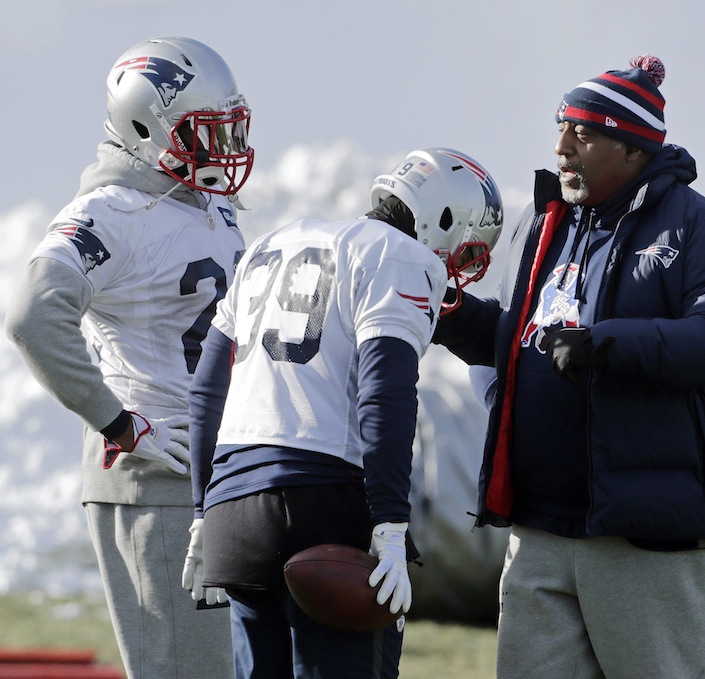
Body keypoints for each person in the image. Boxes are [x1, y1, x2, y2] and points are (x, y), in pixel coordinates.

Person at [432, 55, 705, 679]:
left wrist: (605, 344)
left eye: (581, 133)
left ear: (633, 147)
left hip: (650, 544)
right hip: (540, 533)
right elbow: (516, 341)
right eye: (560, 127)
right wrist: (450, 315)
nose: (561, 147)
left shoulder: (700, 228)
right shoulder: (542, 224)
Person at [181, 147, 503, 679]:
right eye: (463, 250)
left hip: (232, 510)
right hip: (325, 499)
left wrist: (201, 508)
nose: (456, 268)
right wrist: (391, 525)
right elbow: (386, 396)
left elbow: (207, 391)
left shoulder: (272, 242)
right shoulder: (402, 256)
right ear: (443, 221)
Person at [5, 36, 255, 679]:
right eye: (204, 133)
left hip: (215, 469)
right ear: (147, 128)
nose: (224, 150)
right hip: (156, 473)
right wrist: (121, 424)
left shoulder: (206, 202)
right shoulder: (108, 212)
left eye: (229, 128)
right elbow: (32, 314)